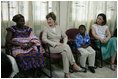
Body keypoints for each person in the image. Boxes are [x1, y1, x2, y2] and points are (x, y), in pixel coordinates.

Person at [42, 12, 84, 78]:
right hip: (51, 47)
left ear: (54, 19)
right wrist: (55, 43)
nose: (48, 21)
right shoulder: (46, 29)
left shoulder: (59, 27)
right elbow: (44, 39)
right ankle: (74, 64)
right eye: (47, 19)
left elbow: (65, 36)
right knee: (66, 47)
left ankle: (66, 74)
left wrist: (64, 43)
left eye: (50, 19)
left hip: (61, 47)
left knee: (65, 53)